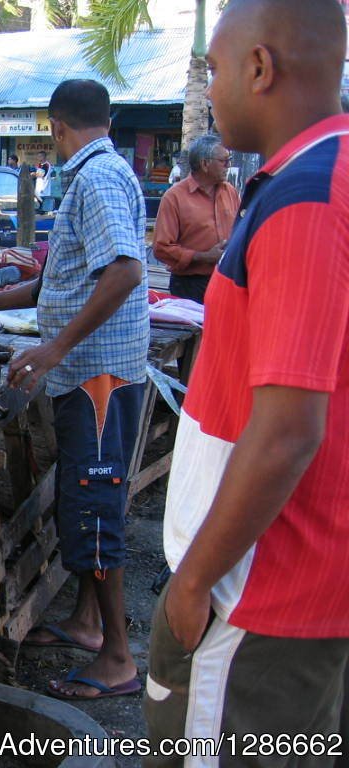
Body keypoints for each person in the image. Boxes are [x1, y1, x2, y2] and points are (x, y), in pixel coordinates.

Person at [144, 0, 349, 760]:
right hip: (288, 580)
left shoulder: (307, 198)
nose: (213, 86)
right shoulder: (316, 178)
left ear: (261, 69)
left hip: (255, 592)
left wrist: (193, 582)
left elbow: (289, 428)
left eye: (217, 69)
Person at [0, 79, 149, 701]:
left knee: (93, 509)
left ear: (55, 127)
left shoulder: (97, 178)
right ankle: (86, 624)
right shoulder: (101, 171)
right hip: (87, 373)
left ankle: (118, 660)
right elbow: (58, 280)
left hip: (96, 375)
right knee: (86, 501)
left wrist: (55, 347)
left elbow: (127, 270)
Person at [152, 134, 239, 303]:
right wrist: (202, 256)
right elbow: (161, 248)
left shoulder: (230, 192)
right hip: (190, 285)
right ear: (205, 164)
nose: (228, 166)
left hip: (227, 279)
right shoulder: (174, 197)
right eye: (224, 161)